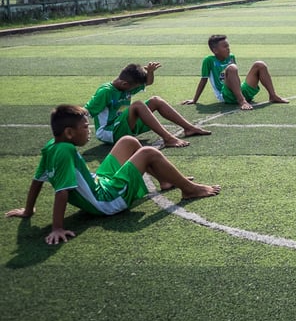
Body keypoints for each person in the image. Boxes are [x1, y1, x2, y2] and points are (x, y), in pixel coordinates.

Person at [5, 105, 220, 245]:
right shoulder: (66, 151)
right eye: (85, 127)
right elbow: (62, 191)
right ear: (70, 133)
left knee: (128, 141)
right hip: (107, 201)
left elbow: (37, 180)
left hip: (99, 183)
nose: (89, 130)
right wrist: (57, 228)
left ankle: (165, 180)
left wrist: (29, 209)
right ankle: (190, 190)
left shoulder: (51, 146)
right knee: (148, 152)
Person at [86, 62, 210, 148]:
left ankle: (189, 128)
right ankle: (168, 138)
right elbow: (87, 111)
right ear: (124, 84)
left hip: (125, 126)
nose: (137, 89)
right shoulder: (106, 91)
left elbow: (148, 82)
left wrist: (150, 72)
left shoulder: (125, 86)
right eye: (135, 87)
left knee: (155, 100)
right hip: (109, 132)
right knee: (138, 105)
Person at [182, 34, 289, 111]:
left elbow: (235, 76)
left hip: (238, 90)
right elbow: (203, 80)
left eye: (228, 46)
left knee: (259, 64)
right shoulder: (208, 60)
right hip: (225, 94)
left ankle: (273, 95)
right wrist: (194, 100)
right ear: (215, 50)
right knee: (232, 68)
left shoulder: (231, 56)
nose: (228, 49)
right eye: (225, 47)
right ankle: (242, 101)